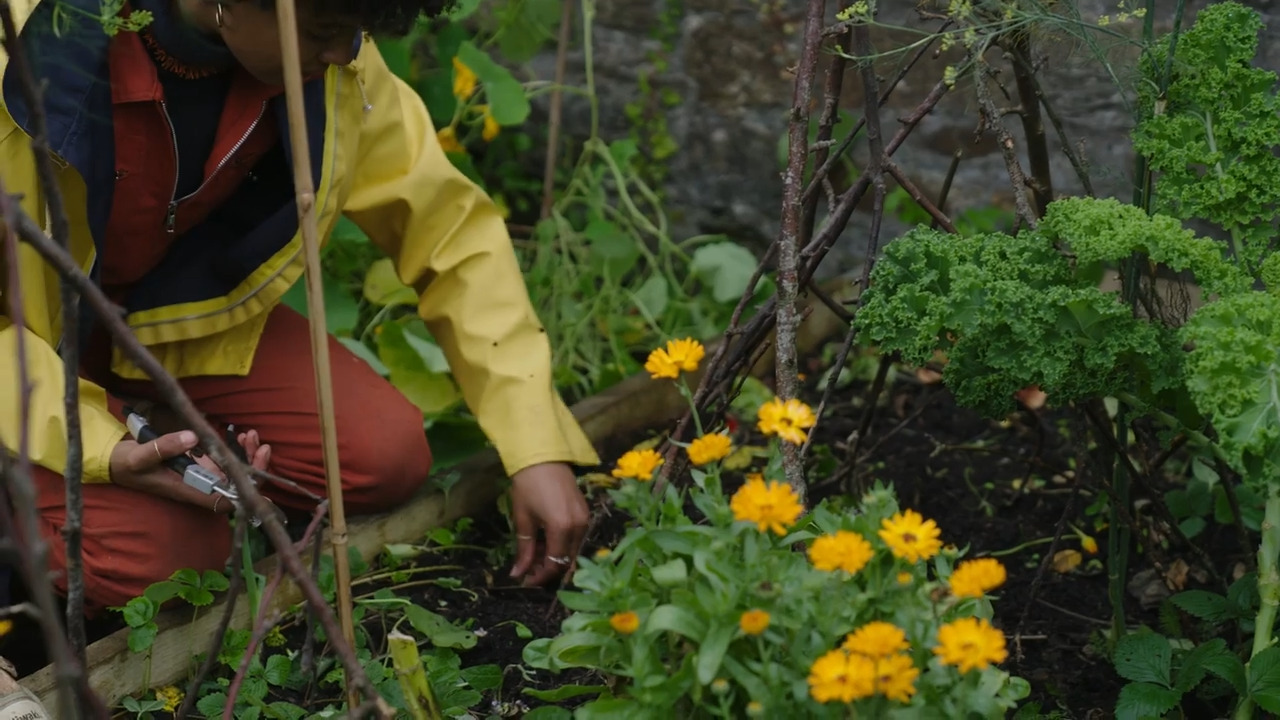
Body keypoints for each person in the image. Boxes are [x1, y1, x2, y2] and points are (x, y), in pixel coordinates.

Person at [0, 0, 599, 624]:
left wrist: (535, 445)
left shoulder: (331, 67)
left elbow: (446, 229)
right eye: (324, 32)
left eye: (357, 32)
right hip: (23, 359)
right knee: (168, 559)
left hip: (152, 329)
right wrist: (102, 445)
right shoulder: (21, 57)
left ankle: (162, 442)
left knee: (381, 454)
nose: (345, 53)